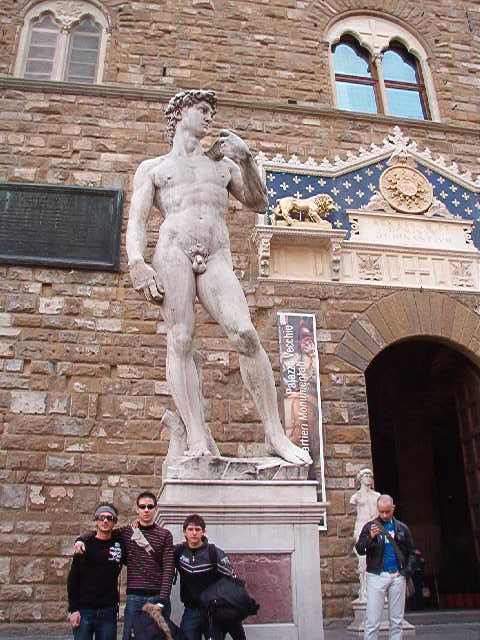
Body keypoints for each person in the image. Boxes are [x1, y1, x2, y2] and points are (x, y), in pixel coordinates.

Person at [125, 89, 311, 466]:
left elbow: (259, 202)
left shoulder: (222, 165)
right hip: (173, 252)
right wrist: (136, 262)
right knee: (180, 340)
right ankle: (196, 435)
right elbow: (137, 221)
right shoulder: (154, 168)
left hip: (216, 253)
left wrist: (246, 158)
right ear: (181, 113)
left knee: (245, 334)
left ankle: (274, 434)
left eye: (211, 112)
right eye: (203, 110)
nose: (209, 117)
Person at [74, 491, 174, 640]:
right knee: (130, 636)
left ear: (155, 508)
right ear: (137, 510)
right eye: (142, 507)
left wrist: (162, 600)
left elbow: (168, 569)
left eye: (150, 506)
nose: (146, 510)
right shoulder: (127, 532)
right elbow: (102, 531)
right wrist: (81, 539)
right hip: (134, 598)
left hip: (156, 596)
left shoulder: (165, 535)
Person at [355, 494, 416, 640]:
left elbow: (412, 552)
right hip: (377, 575)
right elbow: (360, 549)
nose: (384, 515)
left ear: (393, 508)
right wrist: (370, 537)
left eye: (387, 511)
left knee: (397, 620)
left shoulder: (402, 528)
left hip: (397, 575)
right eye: (381, 511)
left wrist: (406, 571)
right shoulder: (370, 527)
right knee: (372, 620)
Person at [67, 503, 125, 640]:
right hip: (84, 610)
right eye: (101, 517)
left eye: (109, 518)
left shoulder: (120, 544)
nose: (105, 521)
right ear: (96, 520)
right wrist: (73, 610)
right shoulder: (84, 545)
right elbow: (73, 579)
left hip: (108, 610)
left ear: (114, 522)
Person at [174, 513, 234, 640]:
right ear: (184, 532)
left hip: (213, 612)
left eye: (197, 529)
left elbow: (232, 580)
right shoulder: (178, 552)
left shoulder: (215, 553)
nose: (194, 533)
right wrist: (137, 529)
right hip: (191, 611)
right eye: (190, 529)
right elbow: (156, 553)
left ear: (203, 532)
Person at [350, 468, 380, 601]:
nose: (368, 477)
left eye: (370, 475)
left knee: (378, 556)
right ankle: (364, 590)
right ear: (360, 479)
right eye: (365, 475)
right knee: (362, 560)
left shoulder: (377, 496)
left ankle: (377, 589)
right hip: (362, 526)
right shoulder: (356, 497)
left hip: (374, 526)